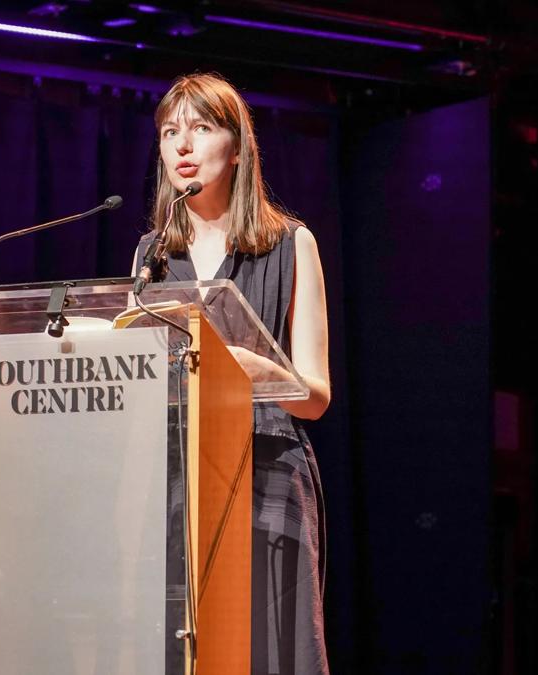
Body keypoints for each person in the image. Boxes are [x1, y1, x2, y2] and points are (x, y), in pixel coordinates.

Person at [132, 73, 331, 675]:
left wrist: (258, 373)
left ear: (239, 146)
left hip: (269, 473)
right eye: (170, 132)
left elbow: (316, 397)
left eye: (201, 128)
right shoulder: (152, 256)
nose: (182, 147)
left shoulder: (290, 244)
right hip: (179, 478)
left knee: (272, 650)